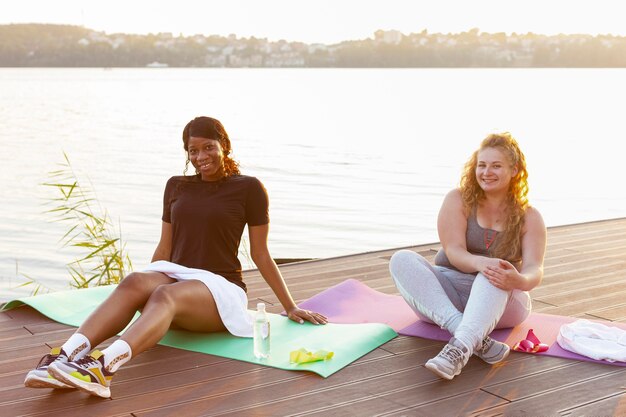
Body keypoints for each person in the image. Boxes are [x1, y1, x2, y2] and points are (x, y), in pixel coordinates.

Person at [24, 116, 327, 398]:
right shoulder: (176, 185)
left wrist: (290, 306)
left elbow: (260, 253)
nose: (201, 157)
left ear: (225, 147)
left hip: (220, 291)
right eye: (193, 150)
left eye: (209, 147)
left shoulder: (249, 189)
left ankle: (102, 369)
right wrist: (139, 290)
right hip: (176, 276)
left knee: (166, 295)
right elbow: (164, 249)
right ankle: (65, 358)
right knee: (134, 280)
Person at [389, 132, 546, 380]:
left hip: (503, 302)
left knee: (493, 273)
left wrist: (517, 280)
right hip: (447, 300)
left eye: (496, 166)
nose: (486, 172)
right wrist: (481, 262)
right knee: (401, 259)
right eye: (481, 165)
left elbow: (534, 270)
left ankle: (457, 351)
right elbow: (454, 251)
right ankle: (474, 338)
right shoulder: (458, 199)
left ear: (514, 170)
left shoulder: (530, 216)